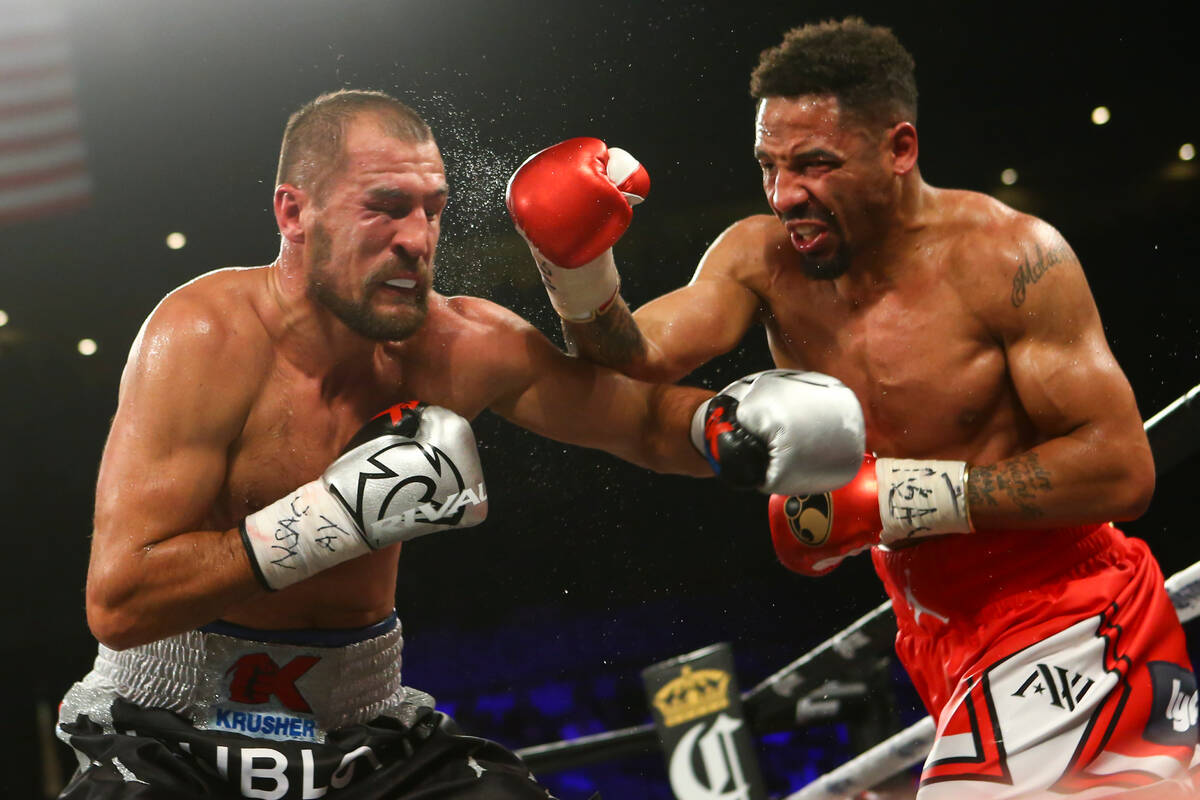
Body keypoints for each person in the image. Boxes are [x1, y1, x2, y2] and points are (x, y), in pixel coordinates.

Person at [54, 89, 868, 800]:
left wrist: (726, 429)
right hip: (168, 729)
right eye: (385, 206)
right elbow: (120, 602)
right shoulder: (203, 336)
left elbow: (641, 421)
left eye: (433, 208)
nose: (417, 237)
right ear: (293, 212)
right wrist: (333, 516)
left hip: (358, 731)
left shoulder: (461, 342)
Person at [506, 18, 1199, 799]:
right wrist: (578, 269)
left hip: (1071, 618)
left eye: (815, 165)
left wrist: (897, 497)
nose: (784, 193)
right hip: (938, 639)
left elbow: (1121, 469)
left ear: (899, 149)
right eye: (769, 164)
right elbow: (633, 357)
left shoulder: (1009, 258)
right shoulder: (761, 258)